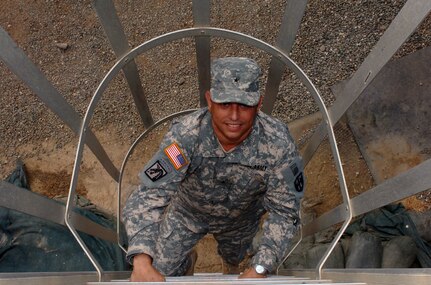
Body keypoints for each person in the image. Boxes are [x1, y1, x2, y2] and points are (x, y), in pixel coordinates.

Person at [122, 57, 305, 282]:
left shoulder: (278, 143)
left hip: (241, 220)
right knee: (161, 271)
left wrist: (259, 268)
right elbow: (149, 194)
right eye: (225, 104)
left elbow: (286, 210)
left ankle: (230, 267)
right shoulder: (186, 137)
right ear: (209, 101)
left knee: (235, 259)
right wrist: (141, 259)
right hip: (188, 213)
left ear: (258, 104)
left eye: (245, 105)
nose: (235, 117)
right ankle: (188, 261)